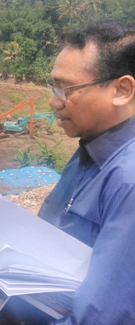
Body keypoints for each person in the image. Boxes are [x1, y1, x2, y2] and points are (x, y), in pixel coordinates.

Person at [39, 20, 135, 324]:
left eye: (66, 89)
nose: (54, 102)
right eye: (53, 87)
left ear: (122, 90)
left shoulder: (127, 182)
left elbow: (99, 317)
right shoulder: (89, 151)